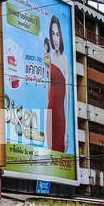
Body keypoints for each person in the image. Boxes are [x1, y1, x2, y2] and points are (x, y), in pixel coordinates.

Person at [44, 15, 68, 153]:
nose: (55, 38)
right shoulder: (49, 58)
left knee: (59, 150)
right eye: (53, 34)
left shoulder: (65, 60)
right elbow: (48, 91)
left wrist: (66, 133)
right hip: (50, 111)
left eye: (57, 34)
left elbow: (68, 99)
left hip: (60, 116)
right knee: (49, 151)